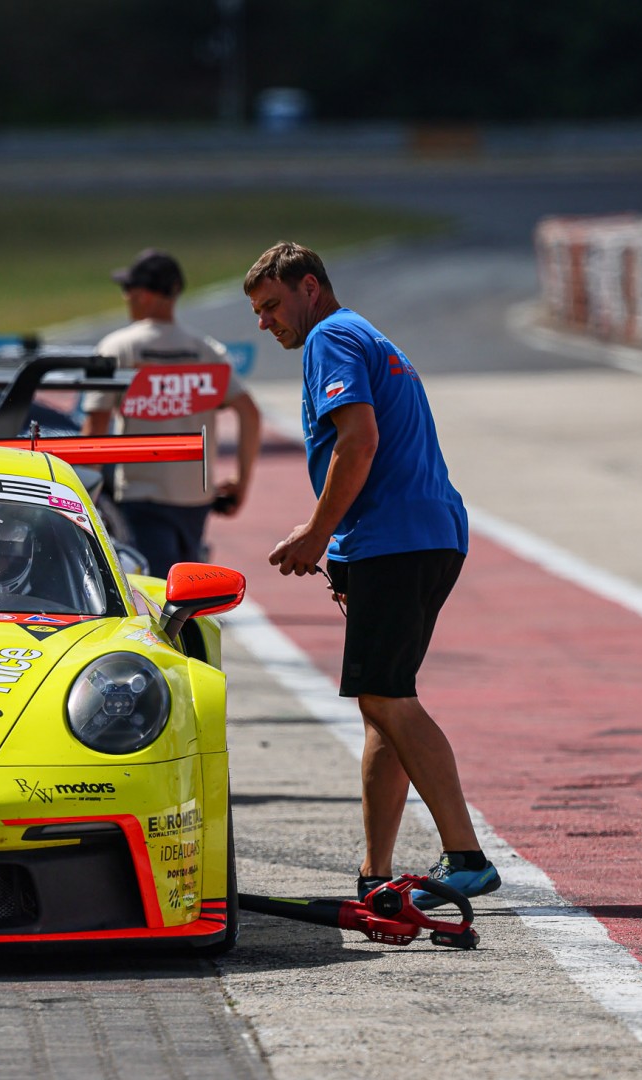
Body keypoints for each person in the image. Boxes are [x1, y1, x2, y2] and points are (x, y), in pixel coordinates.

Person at [244, 241, 494, 909]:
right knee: (381, 704)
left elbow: (360, 439)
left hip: (398, 539)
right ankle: (375, 869)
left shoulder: (331, 336)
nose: (264, 323)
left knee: (387, 698)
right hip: (417, 535)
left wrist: (319, 533)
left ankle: (466, 855)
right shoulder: (363, 335)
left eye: (271, 306)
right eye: (258, 312)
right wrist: (345, 550)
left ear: (310, 288)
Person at [80, 249, 260, 576]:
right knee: (188, 587)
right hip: (196, 499)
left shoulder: (118, 348)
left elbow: (96, 425)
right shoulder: (206, 350)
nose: (125, 298)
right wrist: (242, 482)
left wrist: (80, 497)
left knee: (155, 595)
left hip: (141, 497)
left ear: (144, 295)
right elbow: (249, 412)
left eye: (128, 290)